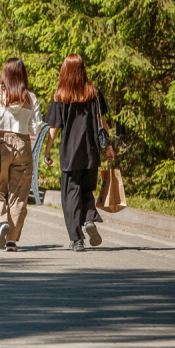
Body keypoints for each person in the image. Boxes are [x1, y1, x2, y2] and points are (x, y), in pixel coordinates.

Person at [43, 54, 114, 251]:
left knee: (70, 194)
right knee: (86, 190)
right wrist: (108, 147)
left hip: (70, 153)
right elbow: (102, 122)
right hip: (91, 151)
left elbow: (54, 127)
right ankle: (89, 218)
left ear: (65, 71)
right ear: (82, 69)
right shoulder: (93, 92)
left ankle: (77, 240)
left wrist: (47, 151)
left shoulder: (61, 95)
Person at [0, 58, 43, 251]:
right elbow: (36, 128)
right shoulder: (30, 97)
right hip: (22, 145)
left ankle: (0, 220)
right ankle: (11, 240)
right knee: (19, 194)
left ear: (4, 72)